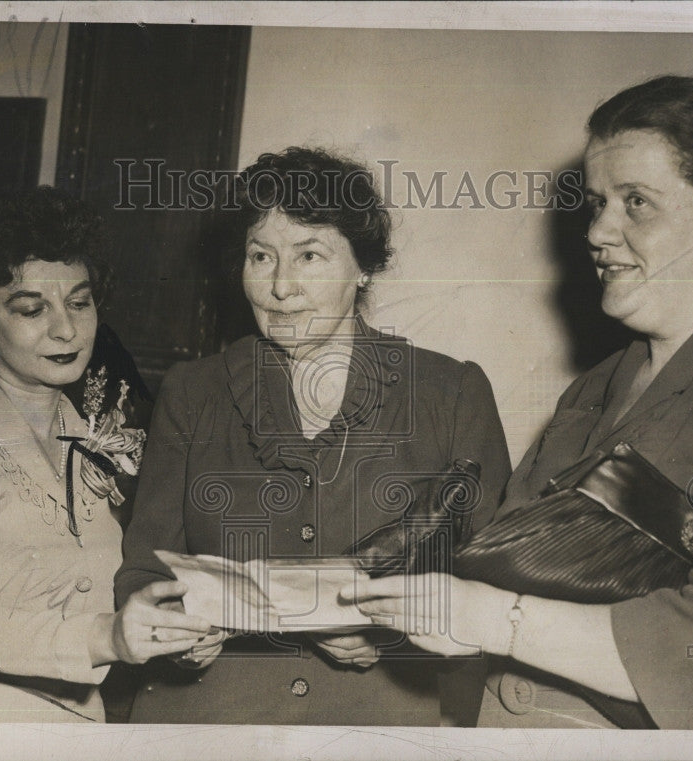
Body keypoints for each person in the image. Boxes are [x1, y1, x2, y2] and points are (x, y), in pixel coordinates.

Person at [346, 76, 693, 735]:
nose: (599, 231)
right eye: (599, 202)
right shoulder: (602, 381)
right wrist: (376, 603)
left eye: (637, 203)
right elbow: (502, 559)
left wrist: (489, 618)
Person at [114, 147, 511, 726]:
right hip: (211, 722)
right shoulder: (193, 391)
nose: (280, 287)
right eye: (261, 256)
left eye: (309, 256)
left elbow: (491, 580)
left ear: (363, 268)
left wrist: (394, 637)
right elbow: (146, 568)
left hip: (372, 726)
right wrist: (175, 633)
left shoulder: (449, 393)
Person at [0, 187, 215, 722]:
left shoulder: (105, 436)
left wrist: (175, 628)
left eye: (79, 302)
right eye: (32, 309)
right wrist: (110, 636)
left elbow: (122, 589)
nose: (66, 328)